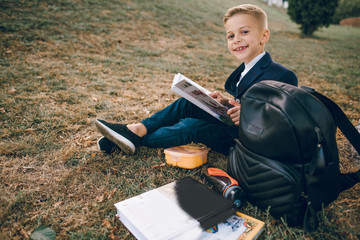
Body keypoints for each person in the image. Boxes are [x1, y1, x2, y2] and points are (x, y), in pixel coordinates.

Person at [95, 4, 298, 155]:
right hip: (234, 126)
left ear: (264, 36)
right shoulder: (244, 70)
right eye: (230, 36)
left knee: (191, 127)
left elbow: (284, 122)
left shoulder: (282, 75)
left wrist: (247, 113)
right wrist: (225, 103)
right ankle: (138, 129)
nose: (236, 39)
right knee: (188, 101)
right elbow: (245, 102)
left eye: (244, 32)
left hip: (246, 143)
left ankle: (132, 139)